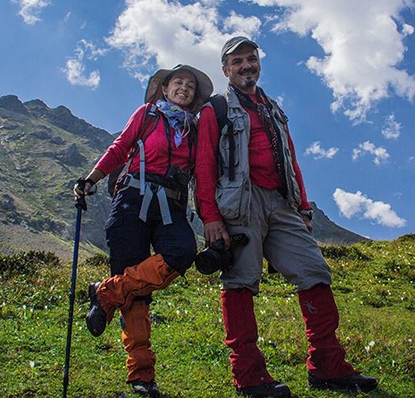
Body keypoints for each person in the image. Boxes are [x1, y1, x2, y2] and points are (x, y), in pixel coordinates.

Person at [194, 37, 378, 397]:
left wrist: (303, 207)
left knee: (314, 272)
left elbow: (292, 159)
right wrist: (211, 217)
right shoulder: (214, 109)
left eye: (252, 59)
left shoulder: (273, 109)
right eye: (238, 61)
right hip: (240, 205)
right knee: (240, 281)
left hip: (282, 203)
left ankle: (326, 365)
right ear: (225, 70)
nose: (247, 66)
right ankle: (248, 375)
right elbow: (203, 166)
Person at [74, 64, 213, 398]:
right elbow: (121, 146)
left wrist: (210, 218)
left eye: (190, 86)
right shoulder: (148, 114)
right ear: (164, 89)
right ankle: (142, 378)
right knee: (137, 298)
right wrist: (91, 179)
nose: (184, 88)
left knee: (181, 253)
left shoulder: (195, 129)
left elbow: (204, 173)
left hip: (173, 205)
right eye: (177, 82)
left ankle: (107, 292)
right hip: (132, 199)